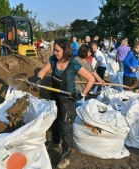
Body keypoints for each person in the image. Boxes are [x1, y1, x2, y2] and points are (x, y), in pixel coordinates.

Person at [35, 39, 95, 168]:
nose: (55, 52)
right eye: (54, 50)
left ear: (65, 50)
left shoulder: (73, 64)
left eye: (57, 50)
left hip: (68, 100)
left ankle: (66, 156)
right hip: (55, 96)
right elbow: (42, 71)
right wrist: (39, 79)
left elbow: (91, 79)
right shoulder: (53, 60)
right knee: (55, 121)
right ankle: (55, 142)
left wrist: (82, 94)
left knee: (66, 128)